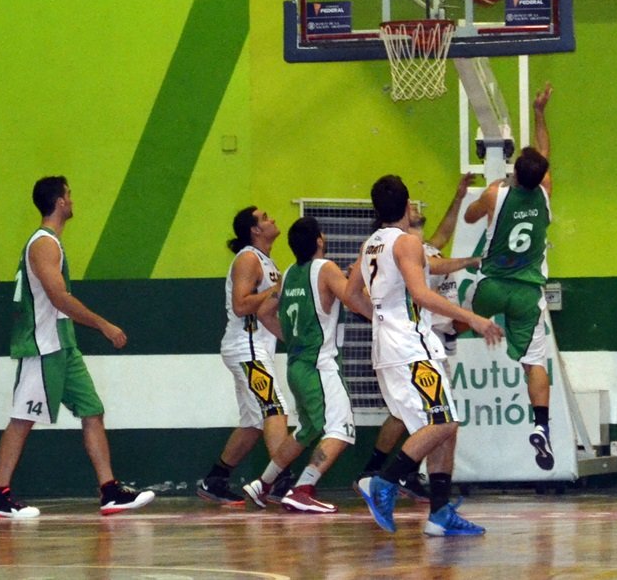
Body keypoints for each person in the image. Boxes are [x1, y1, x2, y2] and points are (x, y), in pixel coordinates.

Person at [0, 176, 155, 519]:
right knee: (22, 418)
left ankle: (109, 490)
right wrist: (104, 325)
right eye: (69, 195)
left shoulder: (52, 243)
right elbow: (59, 297)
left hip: (64, 344)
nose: (73, 200)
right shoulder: (44, 243)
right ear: (60, 202)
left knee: (92, 410)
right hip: (43, 346)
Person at [345, 174, 504, 536]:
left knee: (443, 428)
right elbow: (421, 293)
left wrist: (382, 318)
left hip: (391, 348)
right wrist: (473, 318)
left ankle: (439, 512)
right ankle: (383, 481)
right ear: (406, 205)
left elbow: (352, 296)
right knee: (444, 422)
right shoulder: (407, 243)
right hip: (410, 348)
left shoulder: (371, 245)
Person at [463, 82, 556, 471]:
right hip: (527, 294)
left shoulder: (495, 193)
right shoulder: (545, 190)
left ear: (515, 171)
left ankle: (443, 343)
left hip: (491, 286)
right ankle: (541, 426)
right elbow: (544, 153)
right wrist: (539, 113)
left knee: (453, 314)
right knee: (534, 363)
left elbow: (470, 218)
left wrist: (484, 202)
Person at [244, 217, 361, 513]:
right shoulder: (326, 268)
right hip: (319, 366)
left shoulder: (288, 275)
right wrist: (359, 278)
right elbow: (353, 299)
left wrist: (293, 339)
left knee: (307, 430)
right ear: (319, 240)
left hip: (297, 365)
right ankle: (303, 489)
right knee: (341, 429)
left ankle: (263, 484)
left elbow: (264, 312)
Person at [195, 206, 293, 507]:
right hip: (246, 346)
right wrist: (277, 290)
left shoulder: (267, 261)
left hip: (256, 348)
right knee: (274, 408)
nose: (272, 219)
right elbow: (240, 305)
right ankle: (282, 482)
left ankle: (216, 479)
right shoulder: (248, 258)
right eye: (265, 217)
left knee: (253, 421)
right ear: (255, 230)